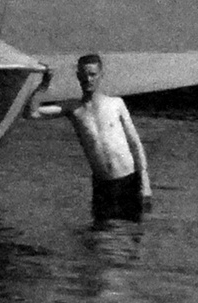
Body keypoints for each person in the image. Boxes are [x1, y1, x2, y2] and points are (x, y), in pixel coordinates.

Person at [32, 54, 152, 222]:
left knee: (130, 236)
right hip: (103, 186)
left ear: (101, 75)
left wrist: (145, 182)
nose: (88, 79)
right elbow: (32, 112)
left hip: (129, 181)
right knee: (101, 238)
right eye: (84, 75)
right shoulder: (73, 108)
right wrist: (43, 85)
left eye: (92, 74)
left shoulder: (116, 103)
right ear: (78, 76)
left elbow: (135, 144)